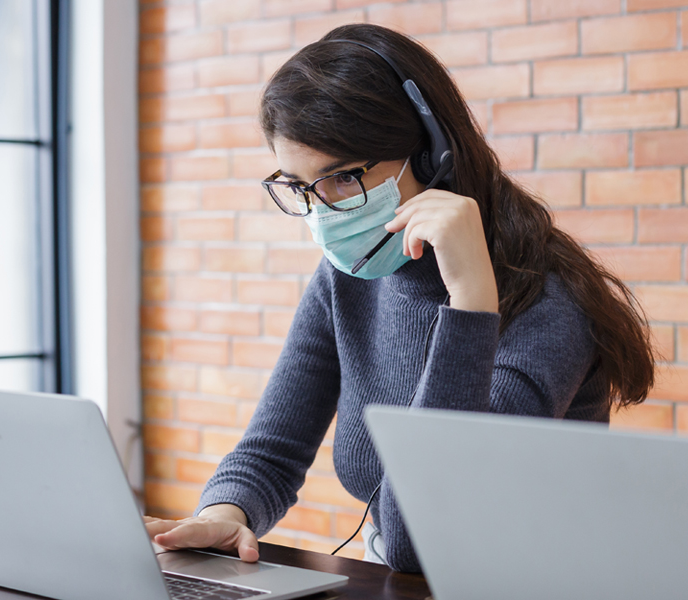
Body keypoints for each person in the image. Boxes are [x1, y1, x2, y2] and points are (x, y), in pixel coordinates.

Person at [144, 23, 655, 572]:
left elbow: (427, 535)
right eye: (300, 187)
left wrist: (470, 301)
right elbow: (272, 451)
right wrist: (227, 512)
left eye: (342, 179)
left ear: (433, 154)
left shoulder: (551, 302)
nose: (322, 214)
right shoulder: (347, 277)